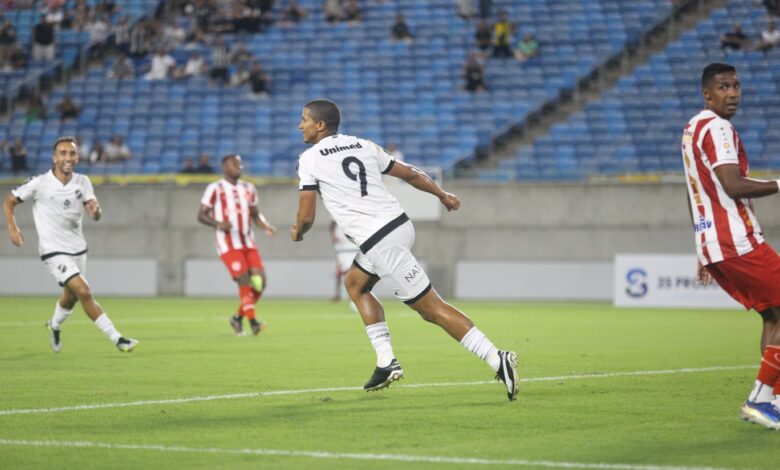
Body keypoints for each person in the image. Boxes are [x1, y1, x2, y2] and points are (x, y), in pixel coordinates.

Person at [291, 99, 518, 400]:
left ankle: (496, 358)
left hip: (380, 241)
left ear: (319, 125)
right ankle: (386, 361)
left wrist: (298, 232)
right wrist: (442, 194)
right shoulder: (362, 144)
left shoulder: (309, 159)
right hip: (398, 226)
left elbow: (306, 217)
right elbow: (410, 173)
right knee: (355, 285)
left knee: (431, 310)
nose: (300, 125)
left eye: (304, 119)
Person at [682, 63, 780, 430]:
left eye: (736, 85)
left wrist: (700, 245)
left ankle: (775, 401)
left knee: (774, 316)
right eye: (723, 87)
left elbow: (691, 190)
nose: (733, 92)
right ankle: (760, 398)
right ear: (707, 94)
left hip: (715, 243)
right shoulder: (719, 127)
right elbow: (733, 186)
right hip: (736, 239)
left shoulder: (692, 128)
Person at [3, 136, 139, 353]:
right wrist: (12, 227)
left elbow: (94, 213)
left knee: (71, 296)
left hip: (77, 249)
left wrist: (96, 212)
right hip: (53, 251)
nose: (68, 157)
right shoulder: (40, 183)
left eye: (72, 153)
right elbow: (9, 201)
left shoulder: (83, 181)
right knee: (84, 291)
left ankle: (54, 325)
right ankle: (118, 339)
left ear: (77, 157)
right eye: (63, 153)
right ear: (54, 157)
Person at [198, 154, 276, 336]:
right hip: (228, 244)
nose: (240, 166)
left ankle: (237, 318)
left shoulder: (249, 188)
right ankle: (253, 322)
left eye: (241, 164)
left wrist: (266, 226)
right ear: (225, 166)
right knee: (243, 279)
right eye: (235, 164)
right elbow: (201, 215)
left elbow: (255, 214)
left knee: (261, 284)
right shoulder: (215, 188)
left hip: (248, 242)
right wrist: (218, 223)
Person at [329, 220, 359, 302]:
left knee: (351, 269)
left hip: (352, 243)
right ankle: (341, 294)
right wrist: (333, 235)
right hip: (342, 245)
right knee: (342, 270)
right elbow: (332, 223)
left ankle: (352, 293)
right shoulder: (337, 209)